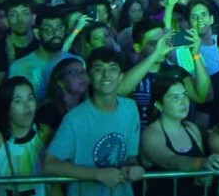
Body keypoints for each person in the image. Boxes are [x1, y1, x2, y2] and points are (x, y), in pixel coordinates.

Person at [45, 48, 145, 196]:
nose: (106, 75)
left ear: (120, 76)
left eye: (112, 69)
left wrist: (134, 168)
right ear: (89, 77)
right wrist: (97, 174)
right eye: (99, 69)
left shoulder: (130, 108)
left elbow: (130, 155)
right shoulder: (75, 119)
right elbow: (49, 164)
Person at [140, 75, 219, 196]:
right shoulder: (151, 134)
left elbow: (199, 173)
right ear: (159, 105)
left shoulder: (191, 129)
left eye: (185, 95)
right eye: (175, 98)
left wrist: (204, 176)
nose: (183, 102)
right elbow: (171, 160)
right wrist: (202, 163)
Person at [0, 76, 51, 196]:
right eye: (18, 101)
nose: (27, 105)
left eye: (30, 99)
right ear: (6, 106)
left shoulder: (45, 132)